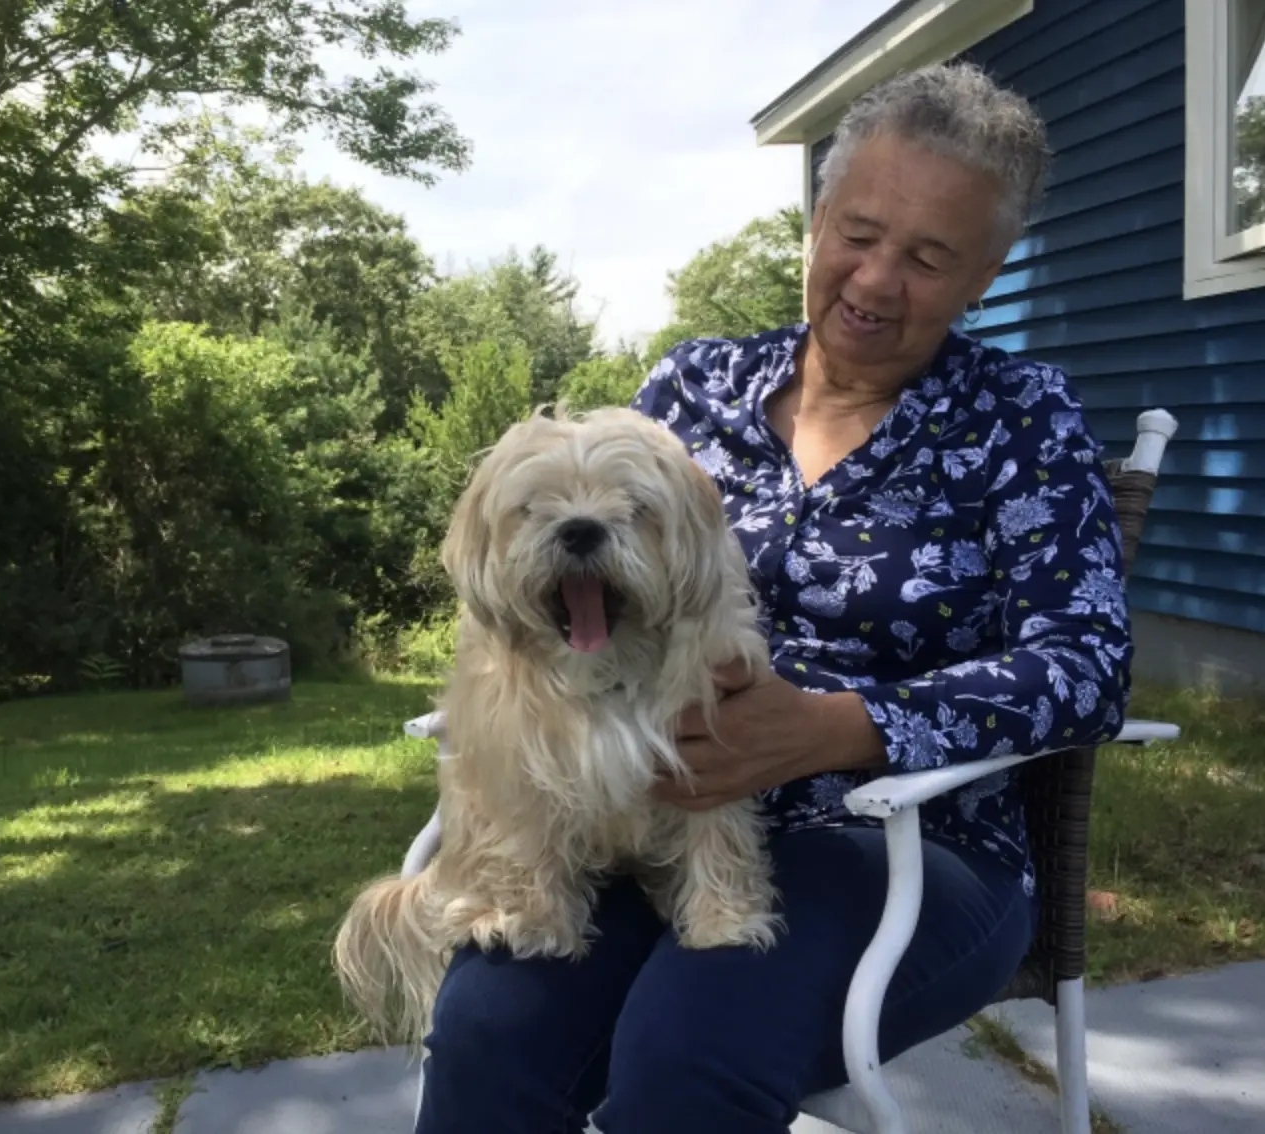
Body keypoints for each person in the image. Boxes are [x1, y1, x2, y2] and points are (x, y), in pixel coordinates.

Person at [414, 61, 1133, 1134]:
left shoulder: (1017, 419)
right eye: (856, 231)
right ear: (816, 218)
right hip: (640, 828)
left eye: (928, 257)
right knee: (490, 1032)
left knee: (688, 1055)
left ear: (985, 275)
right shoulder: (689, 389)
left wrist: (831, 730)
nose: (875, 280)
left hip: (904, 844)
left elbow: (1086, 660)